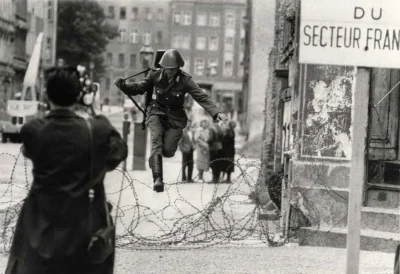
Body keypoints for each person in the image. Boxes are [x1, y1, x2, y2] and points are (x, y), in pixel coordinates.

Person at [5, 66, 128, 274]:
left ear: (47, 94)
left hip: (41, 223)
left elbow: (28, 150)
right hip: (85, 223)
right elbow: (118, 153)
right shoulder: (96, 131)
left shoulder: (35, 130)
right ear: (80, 95)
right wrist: (95, 112)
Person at [114, 49, 227, 192]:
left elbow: (201, 96)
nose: (171, 72)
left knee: (167, 151)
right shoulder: (154, 75)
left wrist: (216, 113)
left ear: (178, 67)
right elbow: (140, 87)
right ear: (163, 67)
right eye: (168, 69)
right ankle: (158, 179)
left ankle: (154, 160)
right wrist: (124, 86)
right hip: (157, 112)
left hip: (175, 118)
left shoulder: (185, 80)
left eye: (174, 69)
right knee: (156, 141)